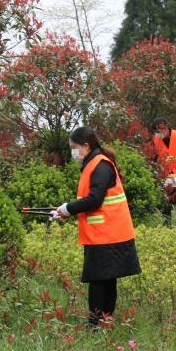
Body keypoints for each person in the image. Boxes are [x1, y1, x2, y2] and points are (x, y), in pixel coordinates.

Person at [52, 126, 140, 327]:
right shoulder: (93, 163)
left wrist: (69, 208)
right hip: (107, 233)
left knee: (99, 280)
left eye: (74, 147)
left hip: (107, 234)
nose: (73, 152)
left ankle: (95, 324)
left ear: (85, 145)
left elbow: (95, 200)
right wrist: (67, 211)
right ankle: (105, 320)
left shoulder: (99, 165)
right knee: (106, 279)